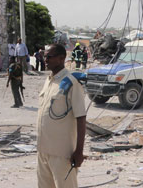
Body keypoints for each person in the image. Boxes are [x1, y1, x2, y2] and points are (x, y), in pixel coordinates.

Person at [37, 43, 86, 188]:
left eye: (49, 57)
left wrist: (79, 152)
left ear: (61, 58)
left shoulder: (71, 83)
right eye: (44, 56)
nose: (45, 60)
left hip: (62, 153)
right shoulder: (49, 80)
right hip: (43, 150)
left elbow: (81, 118)